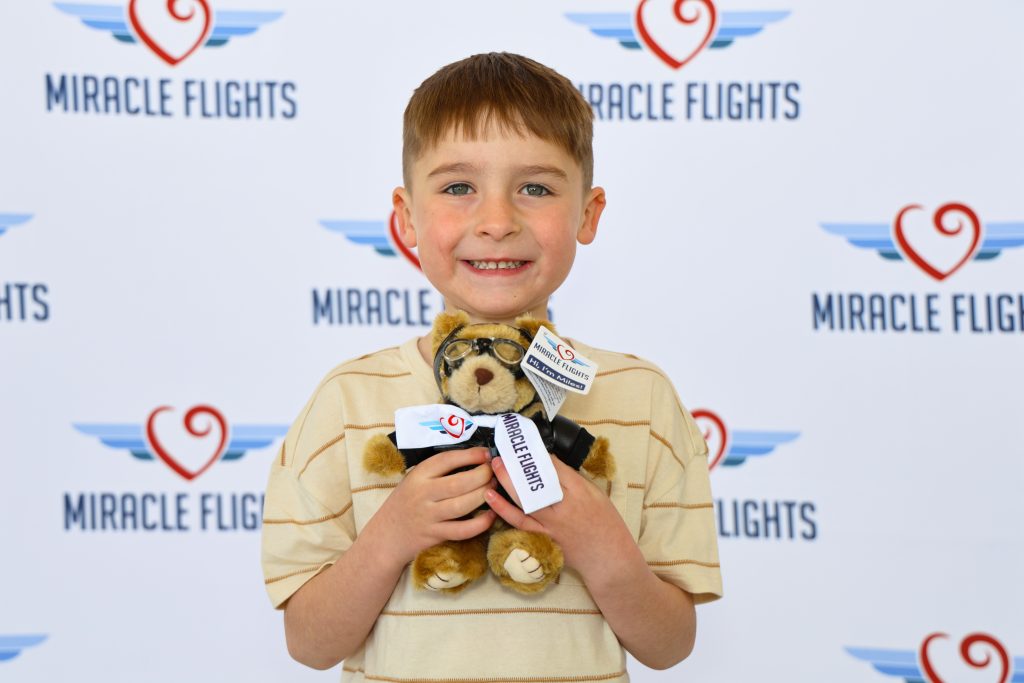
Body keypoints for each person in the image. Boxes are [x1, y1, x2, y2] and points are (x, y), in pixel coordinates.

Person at [261, 52, 722, 681]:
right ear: (406, 217)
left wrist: (604, 548)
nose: (498, 222)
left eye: (536, 188)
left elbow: (669, 646)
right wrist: (393, 535)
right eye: (457, 187)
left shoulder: (641, 398)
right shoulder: (348, 400)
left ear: (588, 213)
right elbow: (310, 644)